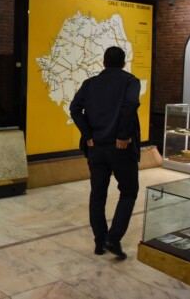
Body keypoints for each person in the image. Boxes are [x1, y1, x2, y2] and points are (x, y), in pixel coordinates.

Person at [70, 46, 141, 260]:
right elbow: (130, 105)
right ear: (124, 63)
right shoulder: (130, 81)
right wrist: (122, 135)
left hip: (96, 148)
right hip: (120, 148)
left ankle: (100, 241)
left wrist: (88, 134)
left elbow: (74, 109)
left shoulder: (90, 83)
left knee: (98, 194)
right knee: (129, 191)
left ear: (103, 62)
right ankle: (113, 238)